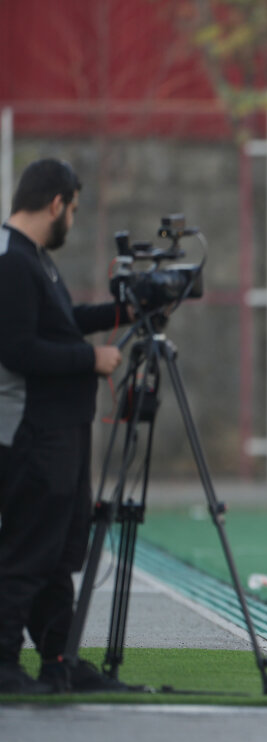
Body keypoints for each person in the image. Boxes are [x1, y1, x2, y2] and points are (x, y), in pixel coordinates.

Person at [0, 158, 132, 693]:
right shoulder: (12, 261)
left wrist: (124, 311)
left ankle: (59, 658)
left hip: (59, 430)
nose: (72, 221)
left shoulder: (34, 260)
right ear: (56, 204)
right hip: (32, 433)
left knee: (55, 554)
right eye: (73, 210)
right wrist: (89, 360)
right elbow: (17, 349)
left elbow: (61, 323)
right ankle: (3, 662)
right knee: (28, 551)